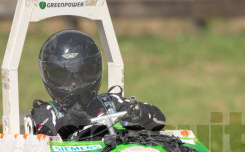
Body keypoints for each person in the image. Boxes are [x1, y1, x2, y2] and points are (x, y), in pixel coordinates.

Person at [30, 29, 166, 140]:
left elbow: (159, 121)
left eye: (81, 76)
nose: (74, 85)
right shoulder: (46, 112)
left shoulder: (111, 103)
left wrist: (143, 114)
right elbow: (43, 139)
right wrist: (66, 125)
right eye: (64, 77)